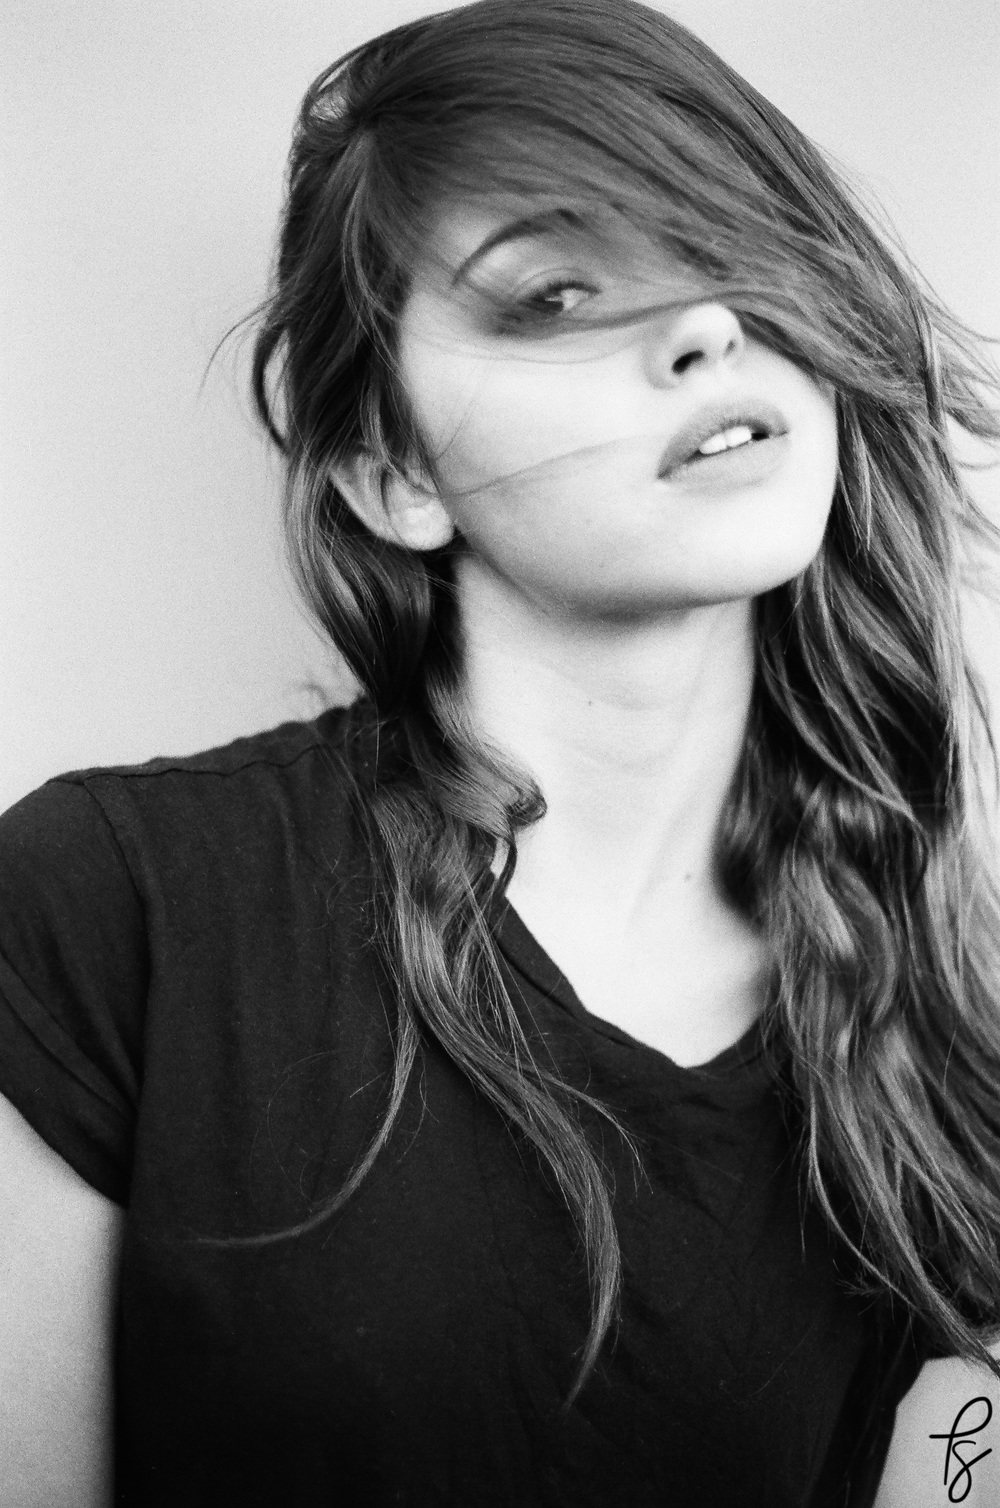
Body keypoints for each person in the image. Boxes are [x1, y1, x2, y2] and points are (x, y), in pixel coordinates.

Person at [2, 1, 1000, 1503]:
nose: (709, 324)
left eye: (728, 246)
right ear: (394, 474)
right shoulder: (112, 907)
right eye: (554, 293)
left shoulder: (954, 1038)